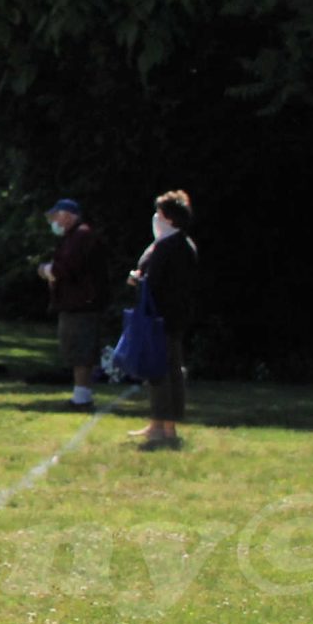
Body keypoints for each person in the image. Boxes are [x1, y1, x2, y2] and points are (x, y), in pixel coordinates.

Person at [131, 190, 199, 448]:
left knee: (164, 370)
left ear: (170, 218)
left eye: (160, 214)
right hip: (165, 317)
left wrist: (138, 279)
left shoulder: (174, 246)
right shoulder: (172, 243)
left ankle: (166, 427)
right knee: (163, 369)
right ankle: (157, 423)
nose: (156, 218)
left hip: (164, 318)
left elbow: (161, 283)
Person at [40, 196, 109, 408]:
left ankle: (82, 398)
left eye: (56, 216)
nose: (54, 222)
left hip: (82, 304)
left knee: (82, 351)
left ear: (68, 216)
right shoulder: (74, 237)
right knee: (76, 349)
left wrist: (47, 271)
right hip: (76, 303)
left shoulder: (81, 236)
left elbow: (68, 267)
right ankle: (81, 395)